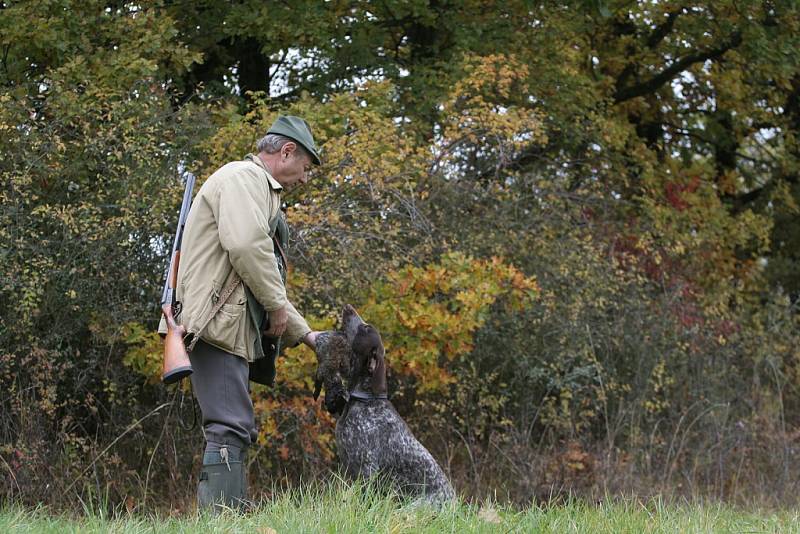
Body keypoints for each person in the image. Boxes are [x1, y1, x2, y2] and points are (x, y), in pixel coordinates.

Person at [167, 116, 322, 510]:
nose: (304, 179)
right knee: (228, 425)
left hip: (227, 324)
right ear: (286, 152)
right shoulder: (242, 178)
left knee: (234, 424)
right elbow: (247, 247)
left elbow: (260, 269)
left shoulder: (258, 189)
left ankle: (228, 513)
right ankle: (221, 517)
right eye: (304, 168)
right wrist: (275, 306)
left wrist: (308, 336)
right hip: (215, 325)